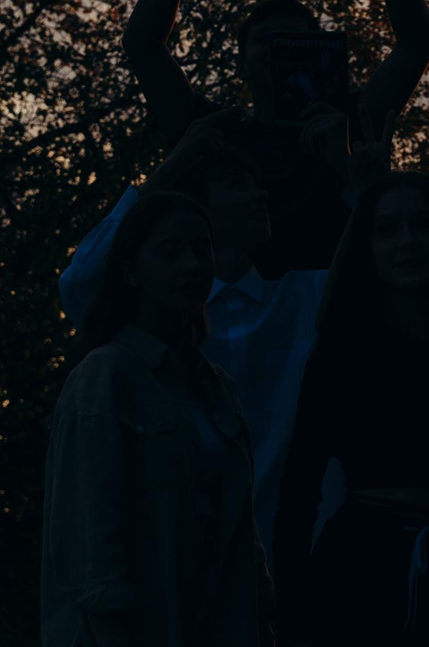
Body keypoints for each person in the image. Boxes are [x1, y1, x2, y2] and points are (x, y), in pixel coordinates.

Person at [58, 110, 345, 557]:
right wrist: (173, 165)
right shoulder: (162, 322)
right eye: (238, 185)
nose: (260, 194)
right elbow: (81, 281)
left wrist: (349, 171)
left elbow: (388, 271)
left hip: (306, 557)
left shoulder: (308, 297)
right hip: (192, 566)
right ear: (198, 209)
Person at [125, 0, 429, 269]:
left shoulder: (348, 126)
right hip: (228, 303)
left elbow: (418, 43)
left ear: (321, 53)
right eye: (266, 39)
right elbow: (143, 47)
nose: (279, 49)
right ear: (241, 64)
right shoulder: (212, 134)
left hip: (335, 300)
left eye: (293, 39)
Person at [273, 173, 429, 646]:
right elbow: (300, 484)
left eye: (422, 224)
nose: (407, 241)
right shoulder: (341, 353)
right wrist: (288, 602)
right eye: (388, 229)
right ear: (368, 245)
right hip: (355, 574)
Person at [43, 189, 269, 647]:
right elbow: (92, 546)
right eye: (170, 252)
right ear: (131, 271)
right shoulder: (104, 378)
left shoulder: (215, 387)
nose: (192, 265)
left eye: (201, 250)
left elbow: (242, 534)